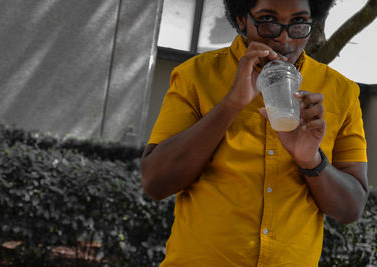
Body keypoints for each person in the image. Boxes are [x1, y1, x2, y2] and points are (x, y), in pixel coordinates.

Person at [141, 0, 369, 265]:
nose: (284, 39)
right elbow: (156, 183)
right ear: (241, 19)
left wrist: (312, 162)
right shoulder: (194, 76)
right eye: (268, 20)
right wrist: (231, 104)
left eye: (299, 23)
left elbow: (351, 208)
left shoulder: (342, 92)